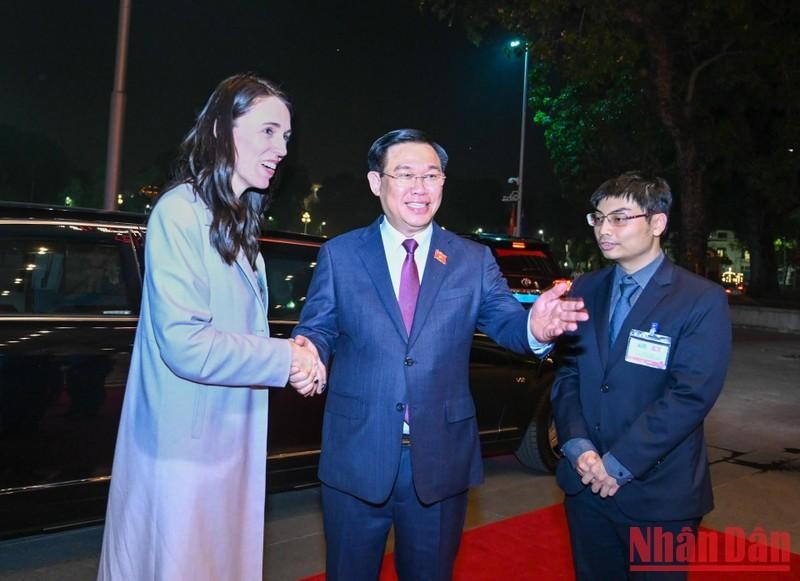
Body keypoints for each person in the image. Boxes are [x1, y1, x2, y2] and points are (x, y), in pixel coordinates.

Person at [292, 128, 588, 580]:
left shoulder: (472, 259)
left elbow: (508, 322)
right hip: (357, 454)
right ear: (377, 182)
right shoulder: (342, 254)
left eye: (431, 176)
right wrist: (308, 350)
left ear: (443, 184)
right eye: (405, 174)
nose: (419, 187)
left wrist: (536, 327)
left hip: (440, 459)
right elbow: (318, 326)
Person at [97, 74, 325, 581]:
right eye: (268, 131)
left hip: (226, 440)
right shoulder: (180, 212)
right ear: (224, 130)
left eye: (286, 136)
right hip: (187, 451)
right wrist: (286, 358)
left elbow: (241, 329)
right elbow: (187, 344)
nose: (281, 149)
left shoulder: (237, 219)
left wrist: (296, 352)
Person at [551, 171, 732, 580]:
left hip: (660, 494)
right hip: (585, 485)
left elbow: (690, 395)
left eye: (619, 218)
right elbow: (567, 375)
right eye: (598, 218)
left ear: (657, 223)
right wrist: (578, 445)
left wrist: (617, 464)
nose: (604, 229)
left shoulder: (699, 299)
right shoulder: (585, 287)